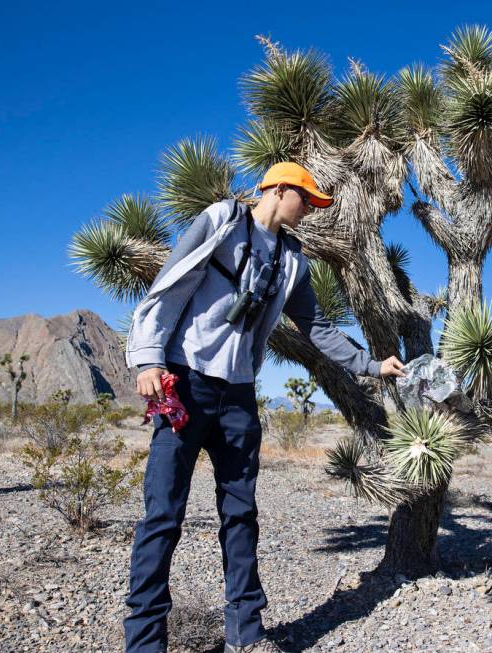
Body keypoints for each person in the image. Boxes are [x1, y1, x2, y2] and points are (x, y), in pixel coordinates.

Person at [123, 162, 406, 653]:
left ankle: (247, 634)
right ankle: (145, 642)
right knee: (163, 514)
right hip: (185, 382)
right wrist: (148, 359)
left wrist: (370, 366)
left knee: (240, 513)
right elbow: (169, 283)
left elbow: (315, 328)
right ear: (279, 190)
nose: (311, 211)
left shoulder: (293, 260)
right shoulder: (220, 220)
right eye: (307, 201)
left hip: (237, 394)